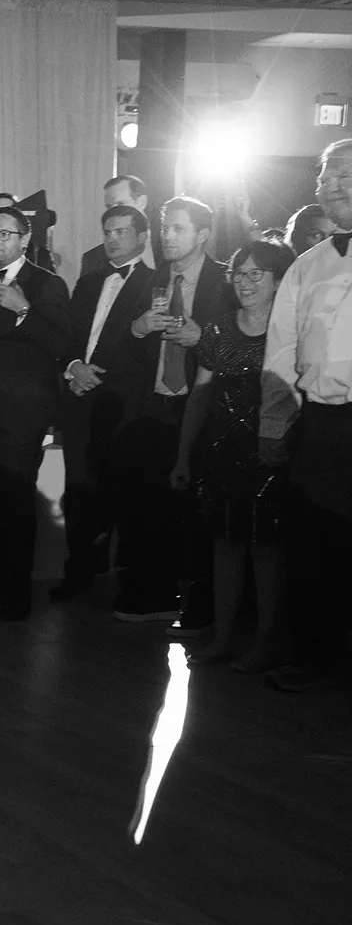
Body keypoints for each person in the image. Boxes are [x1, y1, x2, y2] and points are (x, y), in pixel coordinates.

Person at [170, 241, 294, 670]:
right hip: (222, 453)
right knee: (225, 546)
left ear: (279, 280)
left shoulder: (290, 328)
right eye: (239, 273)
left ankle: (265, 643)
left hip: (272, 453)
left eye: (256, 273)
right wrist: (183, 455)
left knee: (267, 551)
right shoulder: (219, 330)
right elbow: (200, 397)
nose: (245, 282)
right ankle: (223, 638)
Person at [259, 138, 352, 692]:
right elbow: (280, 351)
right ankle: (312, 655)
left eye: (342, 174)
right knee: (315, 543)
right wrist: (274, 427)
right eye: (324, 176)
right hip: (321, 424)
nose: (330, 185)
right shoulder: (306, 265)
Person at [115, 196, 233, 627]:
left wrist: (203, 339)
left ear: (202, 234)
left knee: (199, 510)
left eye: (178, 228)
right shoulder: (154, 279)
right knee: (151, 502)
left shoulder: (225, 281)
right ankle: (157, 593)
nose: (167, 236)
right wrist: (138, 327)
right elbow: (127, 347)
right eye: (165, 227)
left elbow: (243, 346)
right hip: (155, 404)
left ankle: (204, 604)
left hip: (203, 405)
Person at [55, 205, 154, 601]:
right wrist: (74, 367)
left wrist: (95, 375)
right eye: (107, 232)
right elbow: (68, 336)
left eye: (121, 232)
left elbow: (142, 353)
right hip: (79, 397)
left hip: (123, 403)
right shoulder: (88, 281)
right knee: (77, 489)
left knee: (120, 491)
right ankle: (78, 571)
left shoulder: (154, 283)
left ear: (142, 237)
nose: (111, 239)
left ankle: (126, 579)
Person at [0, 206, 70, 620]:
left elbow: (59, 343)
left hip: (23, 410)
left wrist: (23, 309)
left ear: (24, 239)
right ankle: (0, 578)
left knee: (15, 498)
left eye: (5, 234)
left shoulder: (47, 283)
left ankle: (18, 590)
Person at [81, 175, 155, 278]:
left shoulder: (167, 247)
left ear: (141, 202)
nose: (113, 211)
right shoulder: (93, 259)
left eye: (120, 204)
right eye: (109, 206)